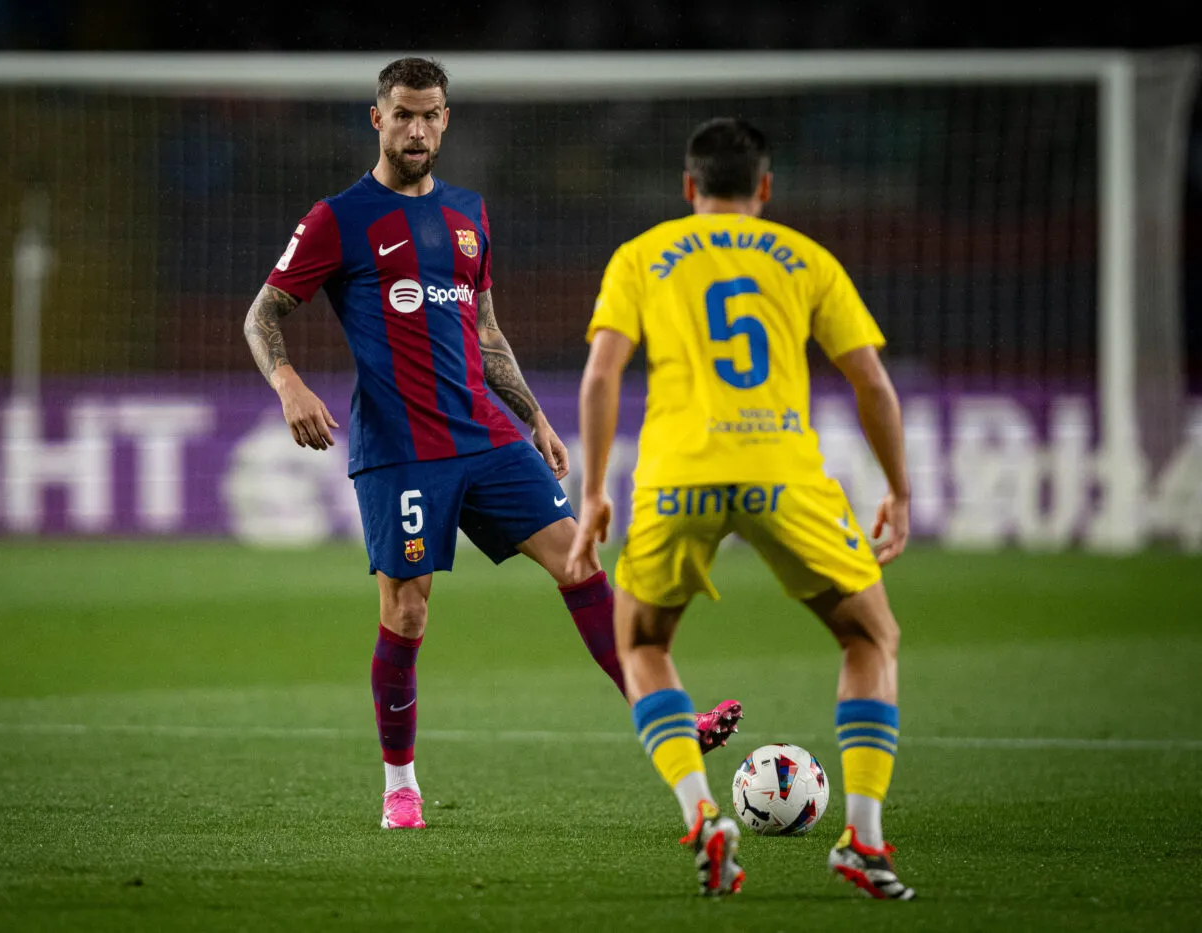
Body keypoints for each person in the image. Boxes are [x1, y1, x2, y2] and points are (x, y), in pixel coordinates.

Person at [243, 58, 743, 832]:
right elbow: (263, 314)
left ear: (447, 120)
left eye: (431, 114)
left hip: (487, 435)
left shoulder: (469, 215)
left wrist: (536, 418)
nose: (417, 128)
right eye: (403, 114)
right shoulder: (338, 217)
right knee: (408, 614)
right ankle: (399, 783)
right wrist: (287, 383)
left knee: (579, 555)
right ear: (377, 119)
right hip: (400, 449)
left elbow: (485, 329)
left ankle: (671, 721)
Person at [566, 117, 915, 900]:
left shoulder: (644, 255)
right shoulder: (806, 258)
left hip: (677, 474)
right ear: (765, 189)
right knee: (870, 635)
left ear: (689, 188)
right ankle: (864, 839)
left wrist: (592, 495)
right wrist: (898, 487)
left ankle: (702, 817)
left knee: (644, 642)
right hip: (783, 472)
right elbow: (871, 383)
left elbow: (598, 379)